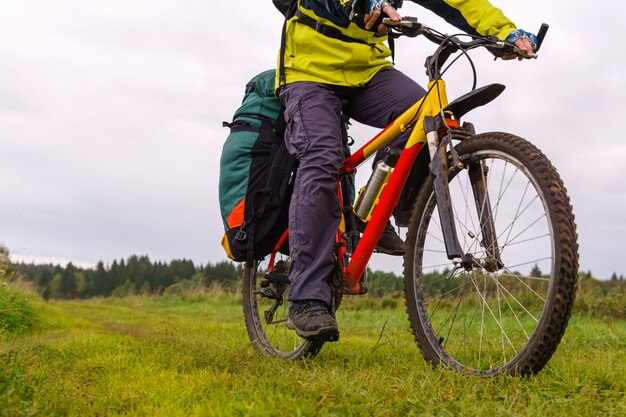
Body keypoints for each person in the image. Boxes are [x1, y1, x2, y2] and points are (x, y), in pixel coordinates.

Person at [278, 0, 537, 341]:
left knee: (425, 116)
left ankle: (371, 212)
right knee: (322, 157)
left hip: (369, 72)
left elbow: (460, 2)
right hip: (309, 72)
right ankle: (307, 295)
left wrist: (504, 32)